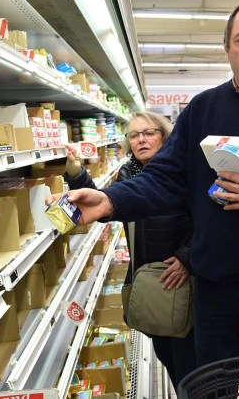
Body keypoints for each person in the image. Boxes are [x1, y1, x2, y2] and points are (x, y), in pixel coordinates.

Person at [46, 0, 239, 368]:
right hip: (214, 289)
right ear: (227, 49)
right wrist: (110, 201)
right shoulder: (203, 110)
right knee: (213, 388)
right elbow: (164, 179)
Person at [63, 112, 196, 389]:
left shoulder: (184, 172)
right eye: (134, 135)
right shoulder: (128, 172)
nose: (141, 140)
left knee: (189, 363)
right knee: (166, 354)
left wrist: (187, 257)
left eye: (148, 133)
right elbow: (105, 205)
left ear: (165, 135)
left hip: (182, 278)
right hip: (149, 282)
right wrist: (76, 173)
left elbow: (207, 221)